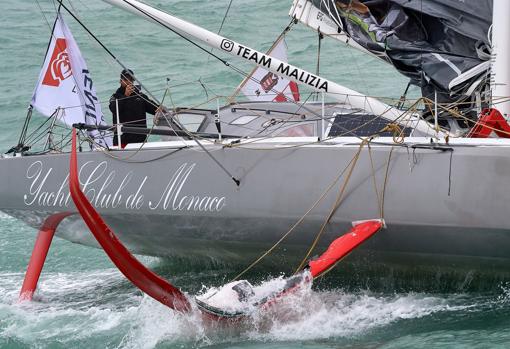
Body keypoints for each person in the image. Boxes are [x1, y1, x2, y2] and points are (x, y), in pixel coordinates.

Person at [109, 69, 158, 148]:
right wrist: (125, 96)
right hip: (122, 141)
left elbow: (155, 109)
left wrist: (161, 109)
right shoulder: (115, 97)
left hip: (140, 141)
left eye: (131, 79)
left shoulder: (140, 96)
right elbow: (114, 109)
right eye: (125, 79)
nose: (128, 82)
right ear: (120, 81)